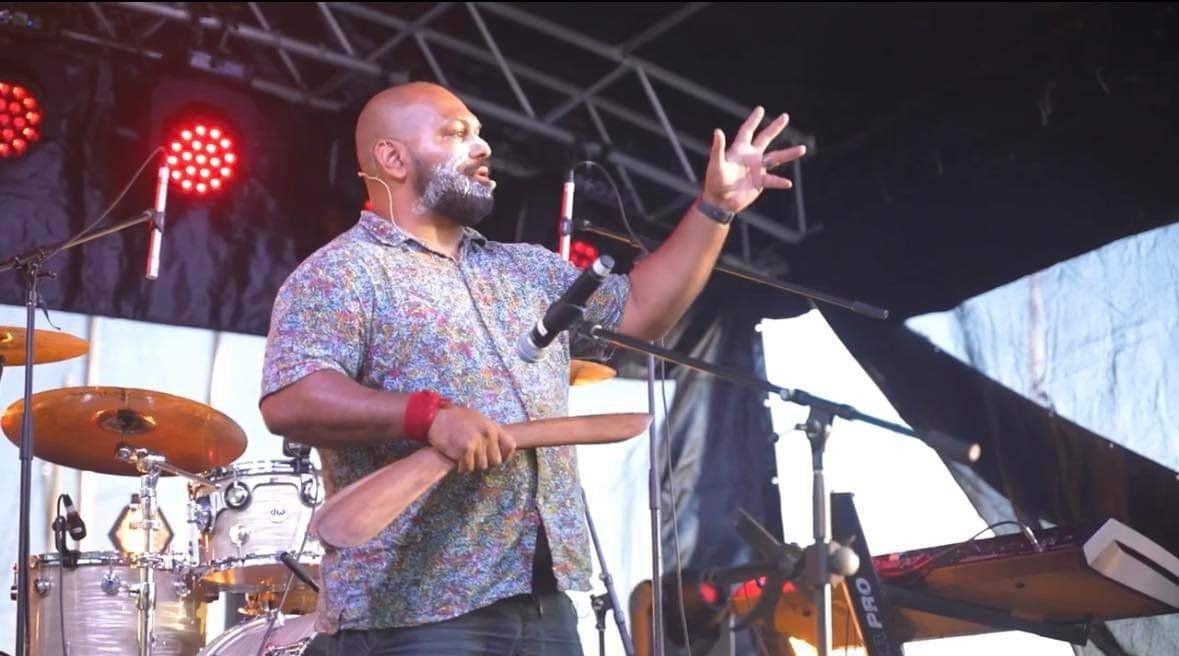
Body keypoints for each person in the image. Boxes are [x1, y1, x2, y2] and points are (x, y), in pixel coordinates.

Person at [258, 80, 805, 655]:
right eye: (455, 133)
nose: (482, 146)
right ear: (392, 157)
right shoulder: (342, 272)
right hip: (413, 614)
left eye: (480, 132)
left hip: (544, 600)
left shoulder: (525, 269)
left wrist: (714, 209)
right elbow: (292, 399)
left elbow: (640, 310)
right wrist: (424, 416)